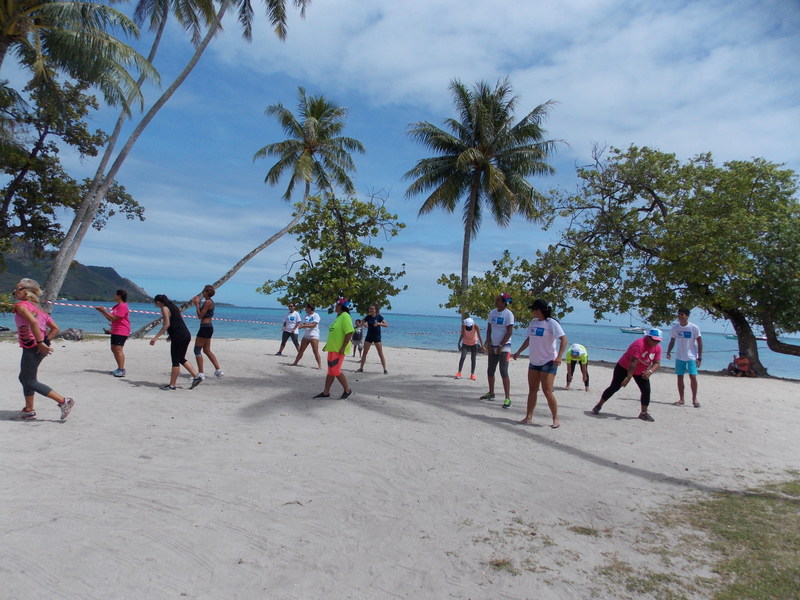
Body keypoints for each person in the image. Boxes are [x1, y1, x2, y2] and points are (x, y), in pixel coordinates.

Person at [13, 278, 75, 421]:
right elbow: (55, 329)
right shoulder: (39, 309)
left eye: (18, 288)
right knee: (25, 378)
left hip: (32, 347)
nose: (15, 291)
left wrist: (40, 343)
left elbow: (33, 322)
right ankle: (29, 410)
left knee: (29, 381)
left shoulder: (21, 306)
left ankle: (64, 401)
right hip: (38, 347)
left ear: (26, 291)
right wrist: (45, 342)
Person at [513, 299, 567, 428]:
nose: (531, 312)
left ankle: (555, 419)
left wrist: (559, 356)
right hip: (534, 361)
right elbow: (529, 339)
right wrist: (518, 352)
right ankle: (528, 417)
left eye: (533, 309)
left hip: (548, 361)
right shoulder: (533, 323)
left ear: (538, 310)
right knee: (532, 389)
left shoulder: (551, 323)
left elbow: (564, 339)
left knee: (547, 390)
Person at [592, 329, 663, 422]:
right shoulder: (639, 344)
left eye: (657, 341)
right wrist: (629, 377)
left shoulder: (658, 348)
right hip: (624, 367)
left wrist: (650, 371)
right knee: (615, 387)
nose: (655, 342)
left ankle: (643, 413)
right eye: (653, 340)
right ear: (648, 337)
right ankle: (599, 405)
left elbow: (657, 363)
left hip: (641, 370)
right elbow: (633, 361)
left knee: (646, 390)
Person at [150, 294, 202, 390]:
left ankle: (172, 385)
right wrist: (171, 335)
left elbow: (166, 324)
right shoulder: (173, 307)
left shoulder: (164, 308)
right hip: (185, 334)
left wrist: (155, 338)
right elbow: (176, 322)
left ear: (158, 302)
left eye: (156, 304)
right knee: (181, 358)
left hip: (179, 336)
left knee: (175, 361)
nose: (156, 306)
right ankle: (196, 376)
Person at [313, 297, 355, 399]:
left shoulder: (345, 316)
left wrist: (343, 347)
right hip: (332, 348)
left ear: (342, 306)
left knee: (335, 370)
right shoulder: (339, 316)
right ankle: (326, 393)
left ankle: (347, 390)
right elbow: (335, 333)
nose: (335, 306)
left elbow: (349, 332)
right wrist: (327, 346)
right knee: (330, 371)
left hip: (339, 349)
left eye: (337, 304)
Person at [481, 293, 514, 408]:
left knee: (503, 370)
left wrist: (501, 345)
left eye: (498, 300)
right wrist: (488, 344)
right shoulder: (492, 313)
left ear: (504, 302)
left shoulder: (508, 314)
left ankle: (507, 398)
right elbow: (489, 329)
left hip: (505, 347)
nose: (496, 302)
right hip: (493, 345)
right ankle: (491, 393)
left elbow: (509, 331)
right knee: (490, 370)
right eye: (496, 300)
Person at [666, 308, 702, 407]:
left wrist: (700, 357)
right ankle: (681, 399)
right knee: (680, 377)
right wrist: (668, 352)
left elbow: (699, 342)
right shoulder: (675, 328)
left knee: (693, 377)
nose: (680, 316)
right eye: (679, 314)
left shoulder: (694, 327)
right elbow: (672, 341)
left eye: (682, 314)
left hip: (692, 356)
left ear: (687, 316)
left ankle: (694, 399)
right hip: (680, 356)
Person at [95, 288, 130, 377]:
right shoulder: (115, 307)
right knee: (113, 349)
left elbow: (115, 318)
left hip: (122, 330)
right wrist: (102, 312)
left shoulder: (123, 306)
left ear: (119, 296)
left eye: (115, 295)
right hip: (115, 330)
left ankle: (122, 370)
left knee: (118, 350)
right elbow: (110, 318)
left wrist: (103, 311)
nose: (114, 296)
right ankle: (119, 368)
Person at [191, 284, 223, 381]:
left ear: (207, 292)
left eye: (204, 291)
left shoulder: (208, 302)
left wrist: (196, 304)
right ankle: (218, 370)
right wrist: (199, 303)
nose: (202, 292)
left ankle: (201, 374)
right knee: (206, 350)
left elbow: (200, 315)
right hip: (208, 327)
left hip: (205, 327)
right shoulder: (209, 302)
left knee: (197, 350)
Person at [357, 303, 389, 374]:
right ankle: (361, 368)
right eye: (370, 308)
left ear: (375, 310)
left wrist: (378, 324)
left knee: (380, 353)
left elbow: (386, 325)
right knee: (365, 353)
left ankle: (385, 369)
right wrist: (363, 324)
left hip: (377, 337)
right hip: (369, 337)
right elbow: (362, 322)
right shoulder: (368, 317)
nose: (370, 310)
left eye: (372, 309)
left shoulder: (379, 317)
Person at [292, 302, 322, 369]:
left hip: (314, 335)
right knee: (301, 350)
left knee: (315, 351)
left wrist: (304, 326)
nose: (305, 309)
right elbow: (305, 324)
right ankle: (295, 362)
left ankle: (319, 365)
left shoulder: (316, 315)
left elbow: (314, 325)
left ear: (309, 308)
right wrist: (301, 325)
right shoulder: (306, 316)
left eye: (306, 307)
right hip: (306, 335)